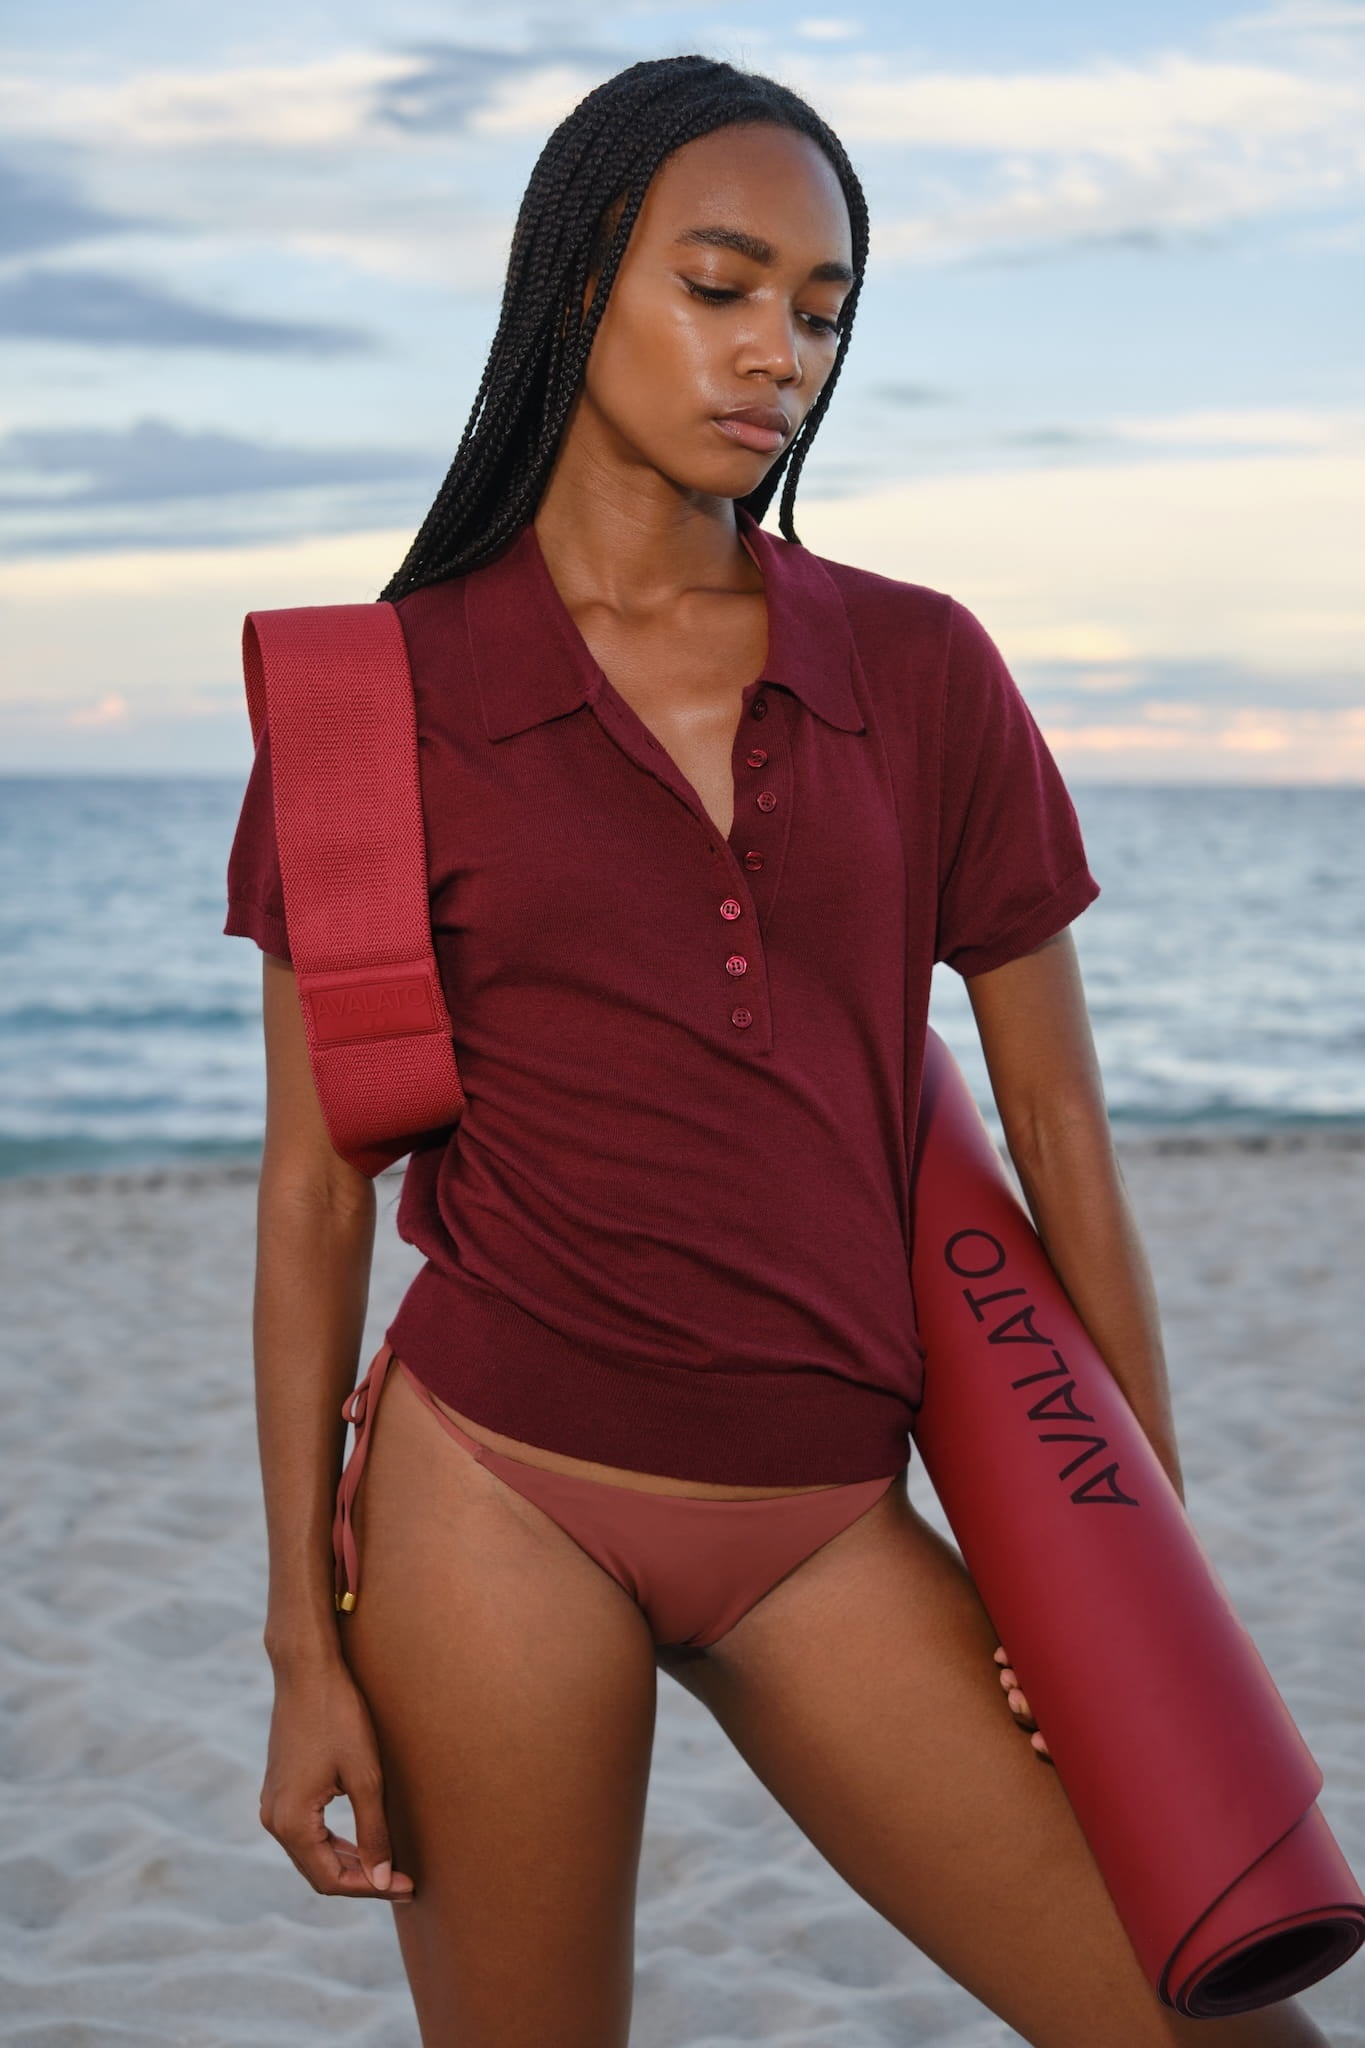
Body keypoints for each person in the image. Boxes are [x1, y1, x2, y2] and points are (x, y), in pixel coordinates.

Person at [223, 53, 1331, 2048]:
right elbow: (312, 1187)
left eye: (818, 312)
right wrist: (305, 1637)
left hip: (821, 1514)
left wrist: (1117, 1574)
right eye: (720, 286)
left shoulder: (912, 667)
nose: (776, 356)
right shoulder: (369, 697)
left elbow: (1060, 1131)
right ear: (574, 291)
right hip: (497, 1494)